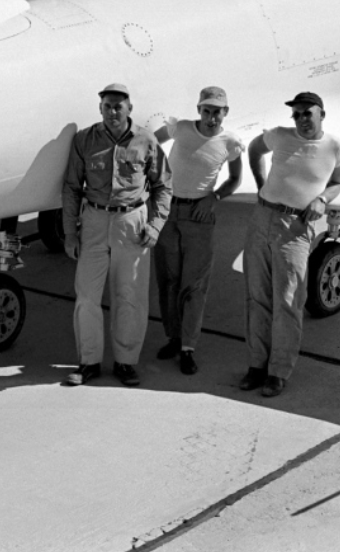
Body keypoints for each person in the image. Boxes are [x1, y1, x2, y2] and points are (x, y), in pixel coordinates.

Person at [61, 84, 171, 388]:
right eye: (107, 106)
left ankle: (125, 362)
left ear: (129, 109)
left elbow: (163, 186)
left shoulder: (146, 140)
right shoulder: (85, 139)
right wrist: (70, 233)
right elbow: (72, 187)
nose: (112, 112)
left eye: (118, 106)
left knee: (130, 296)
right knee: (87, 296)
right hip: (94, 221)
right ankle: (88, 362)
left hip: (131, 222)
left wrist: (155, 225)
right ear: (100, 109)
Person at [241, 91, 340, 398]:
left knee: (288, 301)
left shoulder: (335, 147)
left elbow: (338, 182)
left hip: (295, 228)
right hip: (261, 219)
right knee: (257, 297)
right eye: (297, 114)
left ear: (321, 115)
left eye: (307, 113)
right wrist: (260, 184)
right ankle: (256, 366)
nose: (302, 119)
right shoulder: (279, 136)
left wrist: (322, 199)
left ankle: (278, 372)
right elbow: (254, 149)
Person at [152, 86, 243, 376]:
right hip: (167, 212)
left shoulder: (230, 142)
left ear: (225, 112)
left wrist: (214, 198)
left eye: (217, 112)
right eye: (206, 111)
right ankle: (173, 338)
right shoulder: (180, 128)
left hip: (199, 216)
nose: (211, 117)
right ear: (198, 110)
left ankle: (188, 348)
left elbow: (235, 179)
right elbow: (150, 144)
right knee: (168, 280)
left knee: (194, 285)